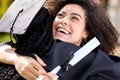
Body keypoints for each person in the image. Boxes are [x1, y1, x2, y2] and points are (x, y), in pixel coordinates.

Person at [0, 0, 120, 80]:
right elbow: (3, 48)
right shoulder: (39, 43)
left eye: (74, 18)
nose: (64, 21)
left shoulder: (94, 65)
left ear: (86, 32)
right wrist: (18, 60)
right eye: (60, 15)